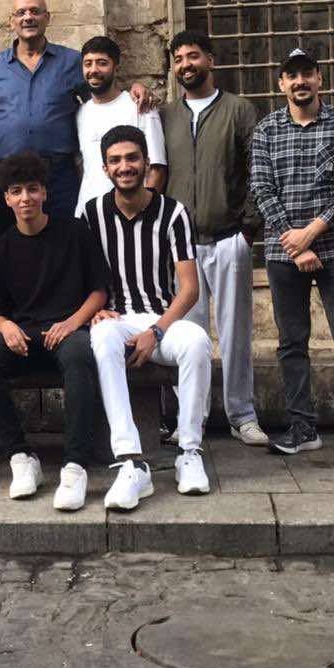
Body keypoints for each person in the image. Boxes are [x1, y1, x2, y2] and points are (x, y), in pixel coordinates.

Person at [252, 48, 334, 464]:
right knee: (292, 343)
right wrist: (294, 244)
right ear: (281, 84)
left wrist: (310, 234)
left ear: (319, 79)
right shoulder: (266, 130)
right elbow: (262, 190)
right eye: (292, 76)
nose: (300, 82)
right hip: (284, 252)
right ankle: (302, 428)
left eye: (307, 73)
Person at [0, 151, 110, 511]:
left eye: (32, 189)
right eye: (16, 191)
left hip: (68, 330)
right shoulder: (1, 249)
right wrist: (6, 327)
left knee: (80, 355)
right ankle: (21, 456)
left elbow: (99, 291)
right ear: (6, 199)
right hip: (25, 336)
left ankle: (75, 466)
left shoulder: (74, 232)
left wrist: (73, 322)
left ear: (45, 192)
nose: (25, 198)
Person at [82, 126, 213, 509]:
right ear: (105, 168)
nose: (124, 167)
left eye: (132, 158)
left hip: (162, 319)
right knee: (101, 335)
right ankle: (130, 460)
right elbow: (81, 275)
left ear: (146, 163)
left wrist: (155, 331)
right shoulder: (91, 213)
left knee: (198, 342)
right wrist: (95, 308)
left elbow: (189, 289)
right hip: (117, 318)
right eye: (115, 160)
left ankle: (189, 451)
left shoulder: (174, 213)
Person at [160, 30, 268, 447]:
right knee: (189, 336)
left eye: (193, 56)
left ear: (210, 60)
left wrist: (247, 230)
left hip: (227, 238)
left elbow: (258, 168)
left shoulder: (238, 110)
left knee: (236, 331)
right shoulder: (166, 115)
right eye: (178, 59)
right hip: (181, 246)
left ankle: (243, 415)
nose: (186, 65)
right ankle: (193, 418)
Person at [0, 0, 152, 236]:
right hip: (9, 175)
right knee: (12, 245)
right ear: (11, 21)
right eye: (21, 13)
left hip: (58, 177)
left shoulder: (71, 62)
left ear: (47, 18)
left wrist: (134, 88)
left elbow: (100, 97)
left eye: (35, 11)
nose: (28, 17)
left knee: (63, 242)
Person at [74, 36, 166, 215]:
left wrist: (142, 215)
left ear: (116, 68)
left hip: (131, 217)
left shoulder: (140, 107)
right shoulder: (80, 113)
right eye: (88, 64)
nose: (94, 70)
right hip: (88, 216)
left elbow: (157, 170)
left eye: (102, 63)